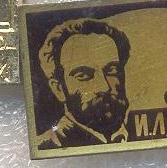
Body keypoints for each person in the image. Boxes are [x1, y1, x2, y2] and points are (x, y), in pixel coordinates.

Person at [37, 13, 133, 147]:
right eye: (83, 76)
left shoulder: (140, 133)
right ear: (59, 89)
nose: (104, 87)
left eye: (111, 71)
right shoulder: (47, 146)